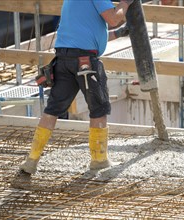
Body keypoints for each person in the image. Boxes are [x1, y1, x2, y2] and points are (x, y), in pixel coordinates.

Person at [19, 0, 133, 175]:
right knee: (99, 109)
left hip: (63, 60)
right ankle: (99, 160)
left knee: (52, 110)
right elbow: (112, 19)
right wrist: (124, 4)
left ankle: (32, 159)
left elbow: (88, 33)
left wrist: (117, 34)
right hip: (85, 62)